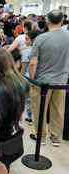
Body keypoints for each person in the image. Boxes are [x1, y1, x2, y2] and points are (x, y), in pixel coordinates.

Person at [29, 10, 69, 146]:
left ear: (47, 21)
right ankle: (56, 137)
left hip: (42, 82)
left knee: (39, 109)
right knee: (58, 110)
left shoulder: (41, 39)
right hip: (62, 81)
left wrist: (32, 80)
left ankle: (41, 137)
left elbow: (33, 62)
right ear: (62, 21)